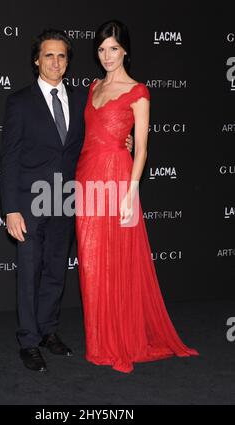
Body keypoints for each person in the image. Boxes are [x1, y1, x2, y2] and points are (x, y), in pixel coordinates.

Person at [0, 29, 133, 373]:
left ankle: (48, 331)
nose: (56, 62)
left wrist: (123, 141)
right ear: (36, 60)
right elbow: (9, 158)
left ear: (67, 61)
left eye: (62, 56)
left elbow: (99, 132)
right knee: (29, 273)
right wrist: (11, 208)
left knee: (56, 270)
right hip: (30, 202)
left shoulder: (81, 98)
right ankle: (28, 340)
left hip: (68, 199)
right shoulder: (19, 102)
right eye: (49, 55)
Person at [75, 20, 199, 373]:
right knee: (92, 264)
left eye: (113, 48)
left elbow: (142, 149)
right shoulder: (92, 87)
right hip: (86, 180)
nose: (107, 55)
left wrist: (131, 193)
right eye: (101, 49)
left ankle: (119, 342)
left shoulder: (139, 92)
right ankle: (99, 339)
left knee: (118, 261)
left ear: (125, 49)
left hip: (117, 180)